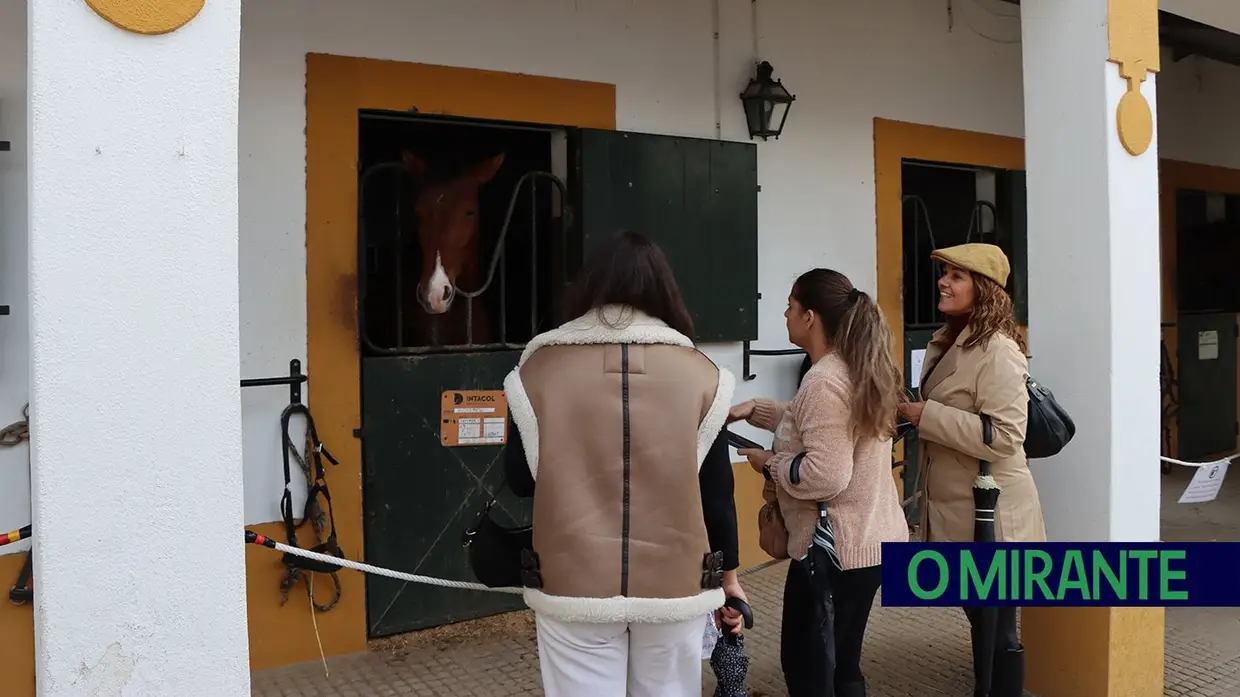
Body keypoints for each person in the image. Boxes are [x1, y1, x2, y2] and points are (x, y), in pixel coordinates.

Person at [502, 230, 747, 697]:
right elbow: (717, 495)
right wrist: (729, 578)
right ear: (664, 290)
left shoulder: (536, 371)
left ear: (589, 285)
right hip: (677, 586)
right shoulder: (703, 375)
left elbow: (519, 480)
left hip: (571, 584)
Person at [729, 268, 909, 697]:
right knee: (842, 664)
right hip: (869, 546)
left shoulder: (824, 379)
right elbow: (819, 424)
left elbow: (826, 474)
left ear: (810, 317)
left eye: (791, 306)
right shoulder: (852, 369)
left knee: (809, 669)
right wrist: (756, 409)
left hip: (833, 555)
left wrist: (770, 463)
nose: (785, 314)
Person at [897, 243, 1046, 697]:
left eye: (957, 276)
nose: (944, 281)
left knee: (997, 631)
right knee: (980, 621)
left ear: (984, 289)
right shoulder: (948, 341)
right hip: (958, 511)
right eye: (945, 273)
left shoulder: (999, 350)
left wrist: (927, 417)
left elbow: (1005, 436)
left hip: (994, 518)